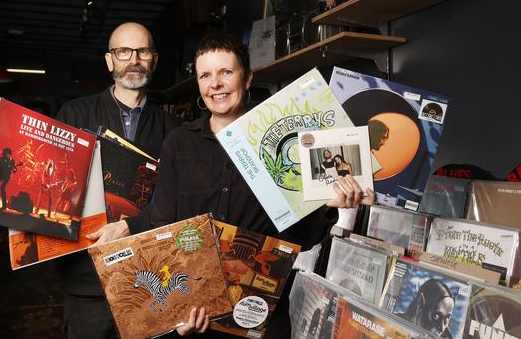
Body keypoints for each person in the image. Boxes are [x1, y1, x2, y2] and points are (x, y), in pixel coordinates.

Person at [0, 22, 182, 338]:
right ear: (109, 60)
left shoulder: (174, 129)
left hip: (148, 280)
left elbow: (179, 203)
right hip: (86, 283)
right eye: (123, 51)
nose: (133, 59)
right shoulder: (74, 115)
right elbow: (38, 178)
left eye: (142, 50)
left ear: (154, 59)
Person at [148, 32, 375, 337]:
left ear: (247, 78)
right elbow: (162, 229)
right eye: (205, 75)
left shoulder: (281, 145)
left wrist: (327, 206)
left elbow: (301, 238)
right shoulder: (178, 143)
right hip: (197, 311)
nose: (215, 83)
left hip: (261, 312)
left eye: (226, 72)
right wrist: (178, 304)